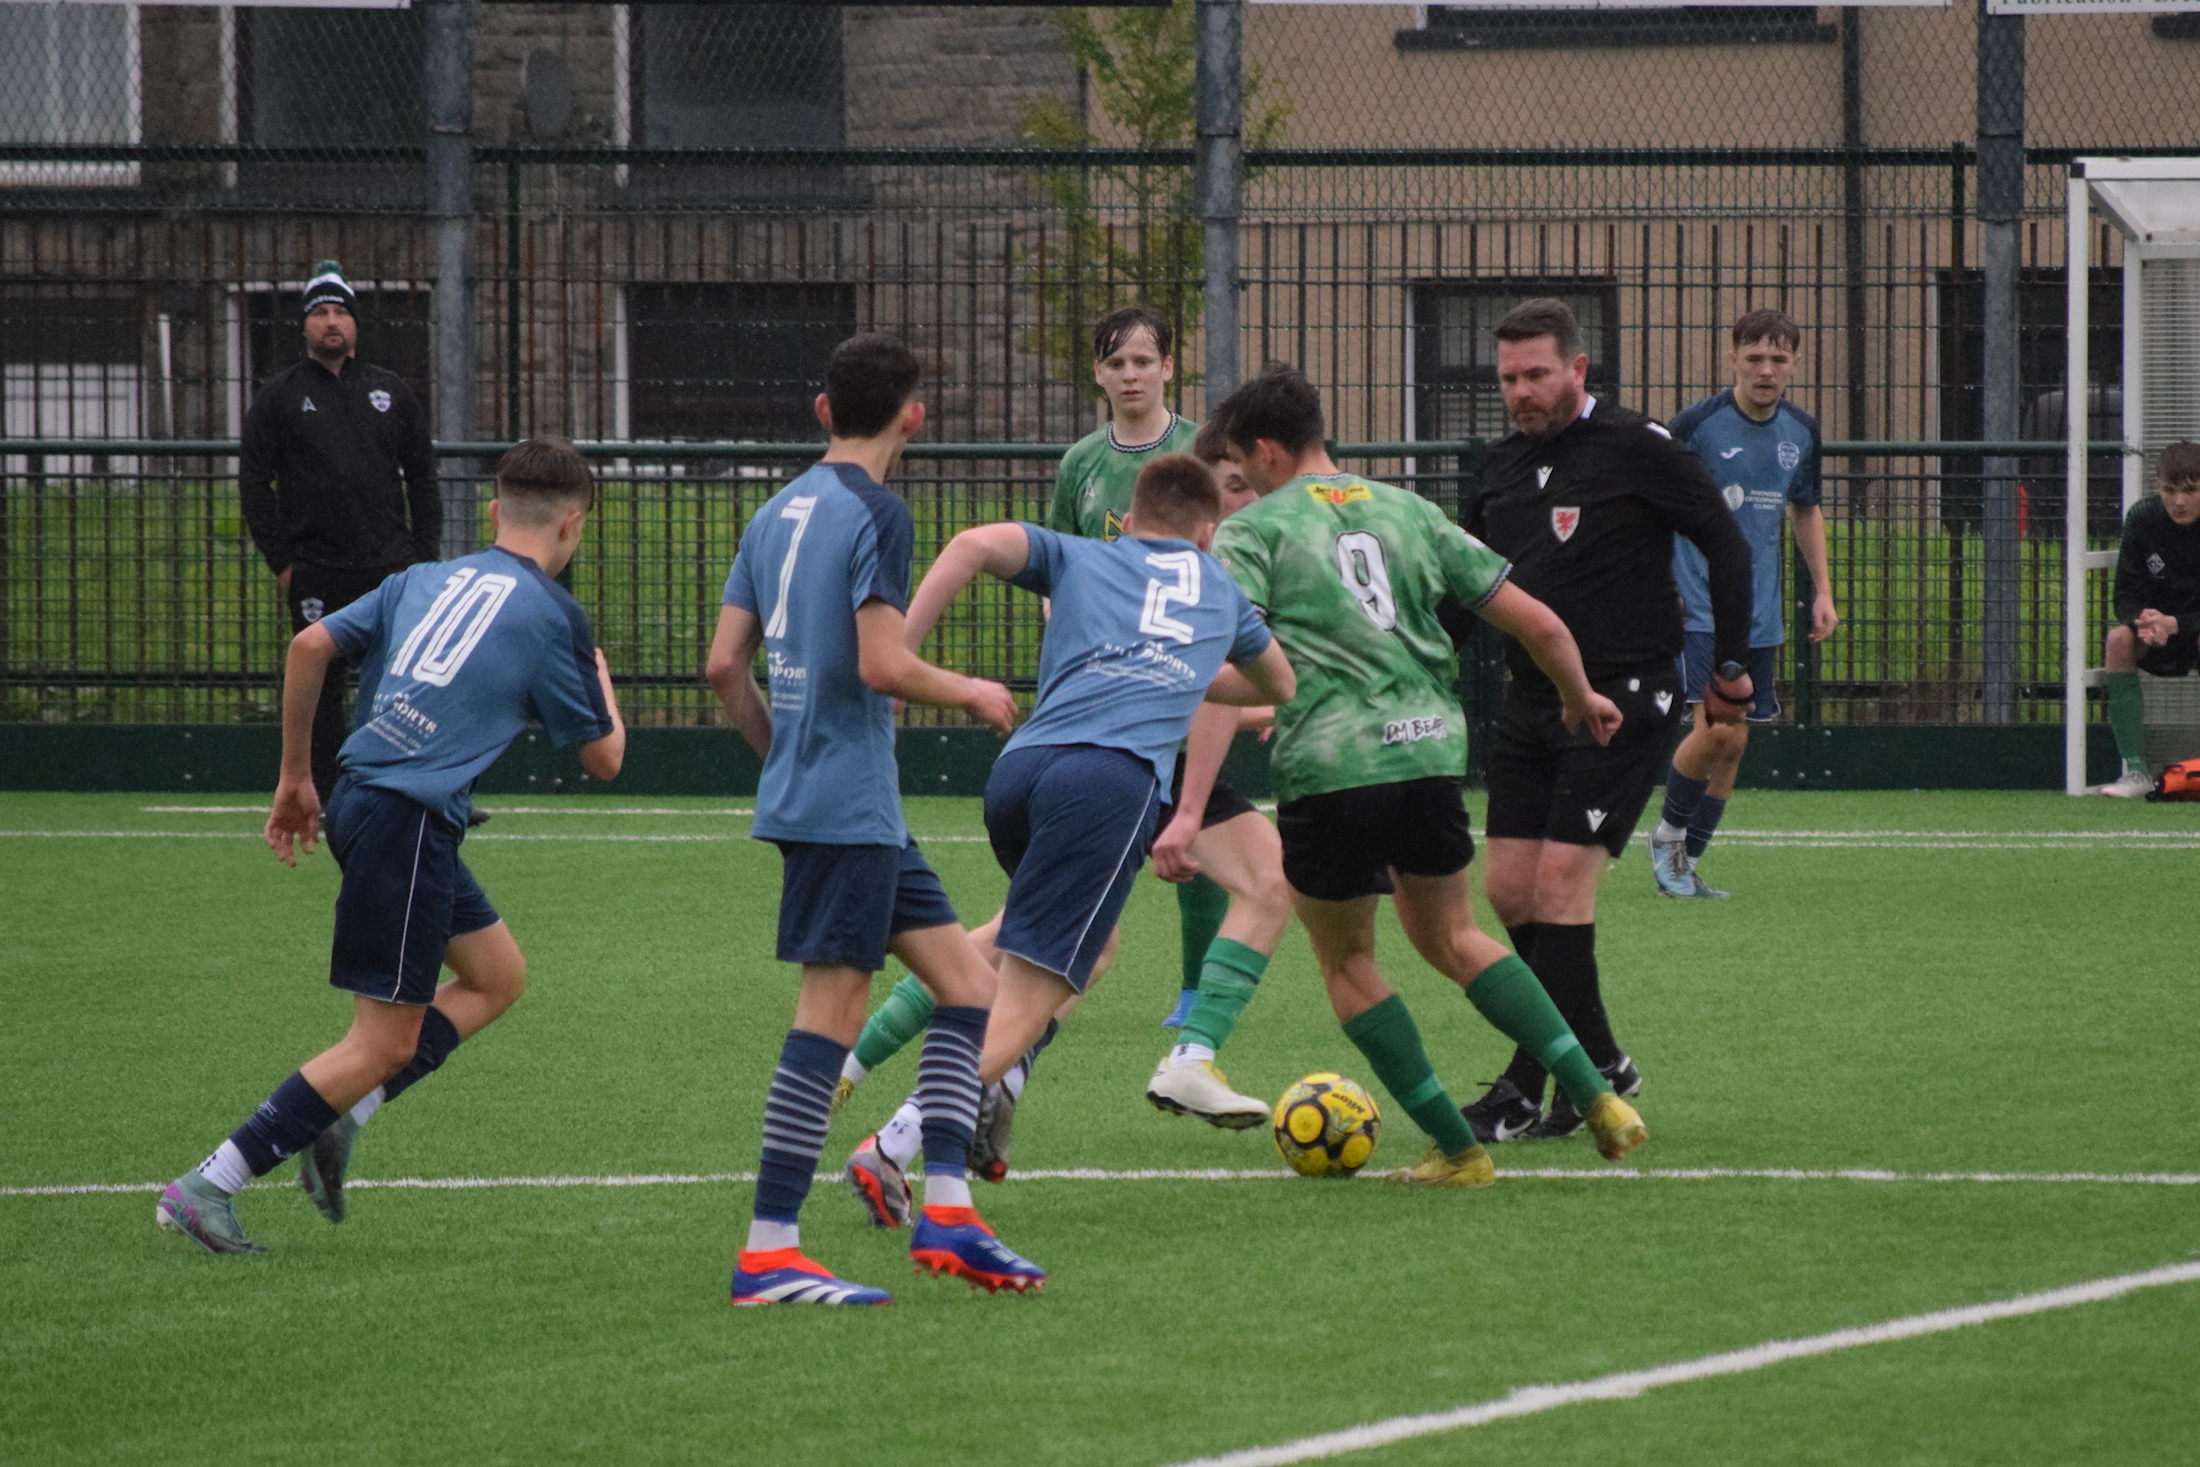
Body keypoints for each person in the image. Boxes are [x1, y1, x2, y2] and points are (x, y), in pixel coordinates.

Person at [155, 438, 625, 1254]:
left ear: (492, 513)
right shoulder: (556, 616)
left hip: (367, 802)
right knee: (381, 1040)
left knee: (495, 975)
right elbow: (606, 756)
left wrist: (296, 776)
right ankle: (209, 1183)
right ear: (574, 525)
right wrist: (599, 670)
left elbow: (310, 648)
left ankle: (346, 1116)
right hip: (406, 820)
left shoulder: (421, 578)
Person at [1212, 363, 1646, 1188]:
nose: (1239, 481)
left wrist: (1177, 681)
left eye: (1240, 466)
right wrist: (1578, 695)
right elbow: (1542, 621)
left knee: (1347, 963)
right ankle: (1600, 1097)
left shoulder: (1254, 532)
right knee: (1455, 934)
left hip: (1331, 766)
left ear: (1265, 451)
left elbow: (1244, 663)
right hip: (1427, 753)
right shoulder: (1410, 510)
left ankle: (1461, 1147)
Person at [842, 454, 1296, 1227]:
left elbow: (970, 546)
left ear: (1129, 518)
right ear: (1209, 530)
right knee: (1024, 999)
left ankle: (990, 1087)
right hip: (1108, 785)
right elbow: (1278, 685)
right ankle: (895, 1141)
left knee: (1089, 940)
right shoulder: (1221, 591)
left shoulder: (1081, 552)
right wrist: (1180, 674)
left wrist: (902, 658)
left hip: (1019, 772)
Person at [703, 333, 1042, 1305]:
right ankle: (769, 1249)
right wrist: (972, 688)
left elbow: (725, 666)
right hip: (847, 808)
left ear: (821, 410)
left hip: (850, 804)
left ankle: (948, 1212)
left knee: (967, 983)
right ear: (913, 416)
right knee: (831, 1013)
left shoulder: (773, 513)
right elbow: (882, 664)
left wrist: (784, 755)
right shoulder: (878, 513)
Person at [1457, 299, 1755, 1147]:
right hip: (1527, 702)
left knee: (1558, 888)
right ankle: (1603, 1060)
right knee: (1510, 891)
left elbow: (1726, 544)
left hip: (1624, 696)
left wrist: (1729, 664)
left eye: (1537, 374)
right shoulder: (1498, 470)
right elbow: (1461, 593)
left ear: (1578, 370)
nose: (1521, 392)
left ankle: (1529, 1081)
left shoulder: (1638, 446)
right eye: (1509, 378)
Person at [1049, 304, 1226, 1029]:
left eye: (1144, 360)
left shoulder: (1202, 448)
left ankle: (1195, 988)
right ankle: (1062, 953)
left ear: (1169, 368)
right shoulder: (1081, 464)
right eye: (1117, 362)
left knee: (1199, 825)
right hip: (1103, 678)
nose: (1130, 374)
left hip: (1181, 668)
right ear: (1098, 372)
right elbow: (1062, 574)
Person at [1649, 309, 1840, 896]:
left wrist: (1824, 592)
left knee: (1736, 744)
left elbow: (1804, 509)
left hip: (1761, 613)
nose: (1766, 369)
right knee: (1721, 732)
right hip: (1700, 608)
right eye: (1754, 358)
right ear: (1731, 358)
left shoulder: (1802, 432)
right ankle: (1666, 839)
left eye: (1778, 359)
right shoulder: (1698, 424)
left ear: (1796, 364)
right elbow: (1651, 500)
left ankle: (1686, 863)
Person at [240, 261, 442, 804]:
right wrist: (281, 561)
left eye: (341, 313)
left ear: (355, 325)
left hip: (389, 569)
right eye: (321, 313)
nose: (332, 322)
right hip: (316, 570)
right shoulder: (278, 397)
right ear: (305, 326)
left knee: (403, 684)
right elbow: (255, 481)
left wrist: (423, 558)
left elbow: (423, 477)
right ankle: (324, 794)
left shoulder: (391, 392)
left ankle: (412, 791)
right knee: (322, 689)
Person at [2099, 441, 2200, 795]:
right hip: (2154, 635)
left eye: (2190, 490)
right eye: (2170, 490)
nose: (2179, 501)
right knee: (2117, 640)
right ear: (2158, 488)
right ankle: (2136, 773)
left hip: (2193, 631)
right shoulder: (2142, 518)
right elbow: (2125, 592)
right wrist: (2142, 621)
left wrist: (2176, 624)